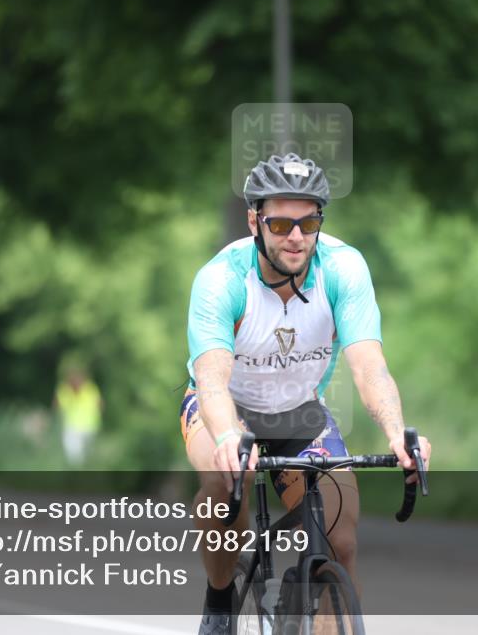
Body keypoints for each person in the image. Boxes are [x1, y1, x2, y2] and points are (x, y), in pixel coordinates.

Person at [182, 153, 432, 634]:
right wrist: (229, 437)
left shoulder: (343, 268)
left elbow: (369, 365)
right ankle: (218, 603)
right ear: (254, 220)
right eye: (280, 222)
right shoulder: (222, 280)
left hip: (299, 413)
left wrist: (397, 433)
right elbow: (212, 379)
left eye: (309, 221)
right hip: (225, 410)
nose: (296, 236)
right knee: (221, 485)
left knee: (341, 541)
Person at [53, 360, 102, 466]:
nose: (75, 381)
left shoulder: (90, 388)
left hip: (89, 426)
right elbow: (57, 405)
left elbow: (99, 404)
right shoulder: (64, 389)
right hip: (72, 426)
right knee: (74, 455)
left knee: (88, 454)